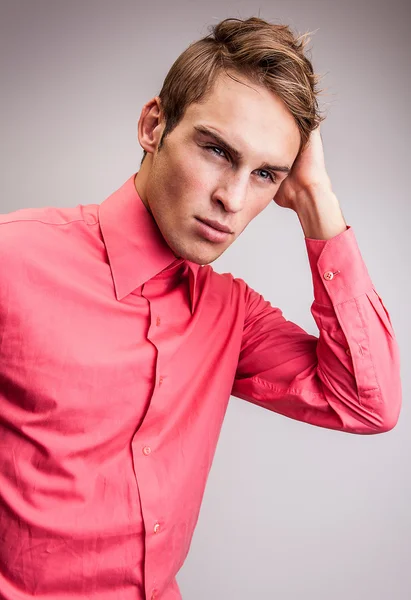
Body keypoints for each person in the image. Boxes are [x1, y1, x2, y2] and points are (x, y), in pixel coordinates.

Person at [0, 15, 401, 600]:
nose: (232, 200)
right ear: (153, 124)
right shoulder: (13, 260)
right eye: (216, 150)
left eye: (265, 174)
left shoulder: (232, 316)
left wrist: (316, 198)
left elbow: (368, 404)